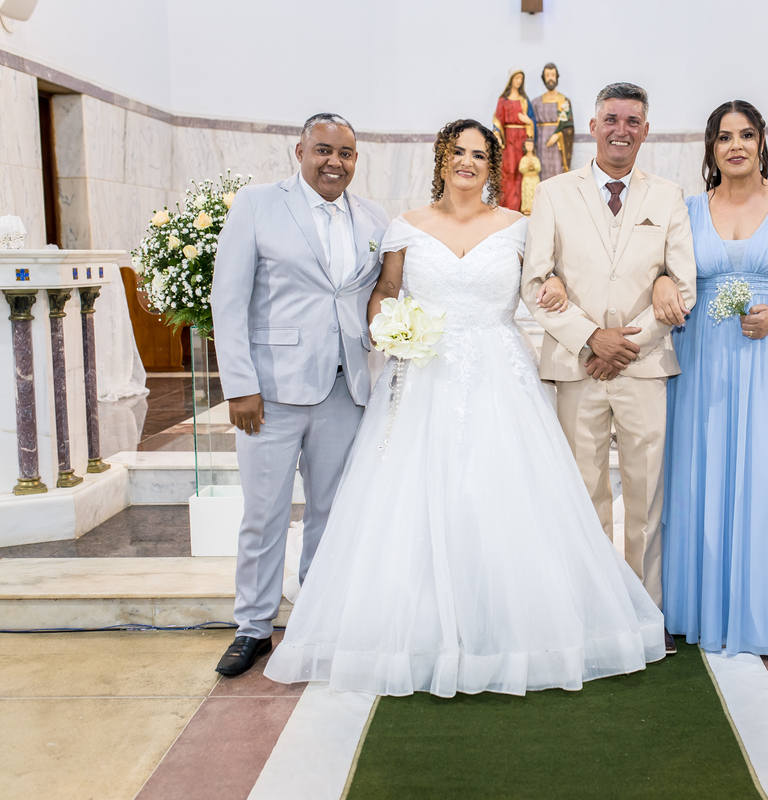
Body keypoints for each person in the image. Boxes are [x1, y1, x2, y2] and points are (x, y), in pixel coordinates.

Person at [262, 119, 664, 697]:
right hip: (422, 374)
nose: (467, 162)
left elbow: (547, 281)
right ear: (441, 159)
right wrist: (387, 328)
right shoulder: (406, 227)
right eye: (458, 151)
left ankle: (506, 622)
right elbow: (385, 293)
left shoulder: (519, 227)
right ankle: (417, 627)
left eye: (479, 153)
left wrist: (555, 287)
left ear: (492, 164)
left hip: (500, 377)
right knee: (415, 498)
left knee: (501, 494)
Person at [654, 100, 768, 669]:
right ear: (711, 148)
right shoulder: (687, 210)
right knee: (701, 479)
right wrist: (662, 283)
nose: (736, 145)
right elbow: (660, 269)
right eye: (724, 137)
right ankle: (698, 611)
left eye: (746, 135)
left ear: (761, 143)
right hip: (702, 368)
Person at [209, 113, 390, 677]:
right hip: (271, 392)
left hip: (344, 386)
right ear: (300, 151)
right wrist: (240, 386)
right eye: (323, 150)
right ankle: (253, 626)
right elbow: (227, 299)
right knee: (264, 514)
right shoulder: (258, 205)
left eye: (346, 153)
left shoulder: (374, 218)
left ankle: (316, 614)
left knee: (331, 510)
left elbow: (376, 294)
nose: (335, 162)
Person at [522, 83, 696, 657]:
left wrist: (624, 346)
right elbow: (534, 280)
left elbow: (683, 285)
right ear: (593, 126)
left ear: (645, 130)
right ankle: (594, 612)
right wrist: (589, 339)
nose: (622, 130)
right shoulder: (553, 193)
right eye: (612, 119)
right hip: (578, 368)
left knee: (647, 498)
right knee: (584, 494)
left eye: (633, 121)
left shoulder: (668, 197)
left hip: (644, 369)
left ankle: (646, 612)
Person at [492, 69, 534, 211]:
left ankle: (521, 207)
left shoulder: (524, 101)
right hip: (508, 139)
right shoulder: (502, 100)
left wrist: (528, 122)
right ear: (511, 80)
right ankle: (506, 207)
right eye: (516, 78)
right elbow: (497, 121)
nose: (519, 81)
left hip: (522, 139)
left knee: (522, 170)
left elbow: (532, 121)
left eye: (521, 79)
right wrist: (497, 135)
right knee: (508, 171)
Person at [533, 62, 574, 178]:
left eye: (553, 75)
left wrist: (558, 134)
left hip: (558, 144)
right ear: (543, 78)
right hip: (541, 143)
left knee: (557, 171)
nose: (550, 78)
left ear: (556, 77)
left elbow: (569, 126)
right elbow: (531, 126)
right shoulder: (536, 102)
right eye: (547, 75)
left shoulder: (564, 101)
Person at [519, 139, 541, 215]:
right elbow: (521, 168)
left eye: (531, 145)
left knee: (534, 193)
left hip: (534, 179)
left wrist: (533, 166)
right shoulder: (524, 159)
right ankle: (526, 208)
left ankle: (534, 208)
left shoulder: (535, 159)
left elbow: (538, 168)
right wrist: (527, 167)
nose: (529, 147)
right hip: (527, 179)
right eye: (527, 145)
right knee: (527, 193)